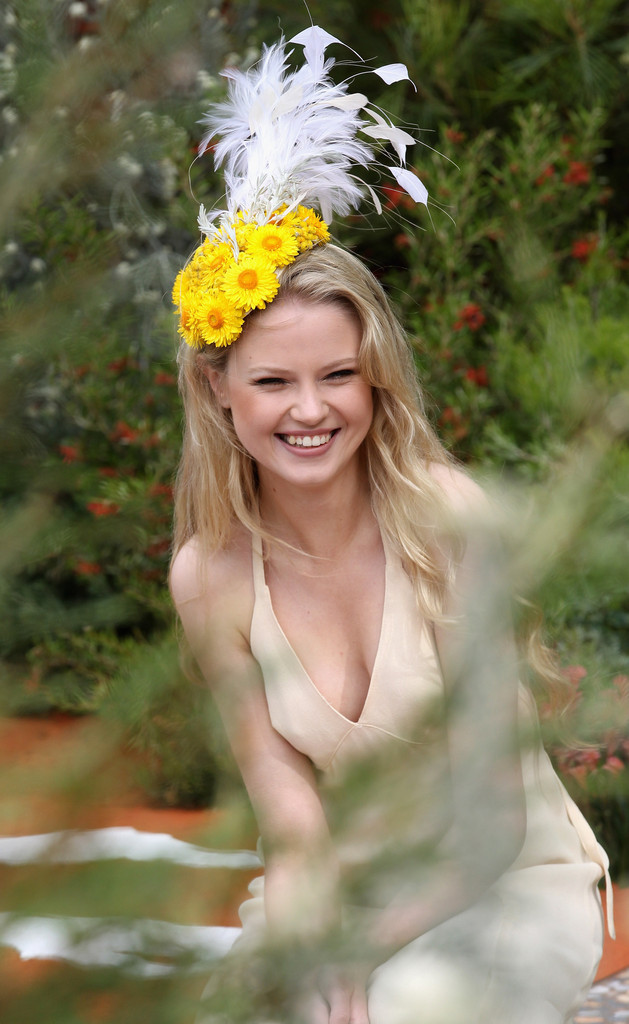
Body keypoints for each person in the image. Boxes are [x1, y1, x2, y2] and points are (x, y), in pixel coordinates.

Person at [169, 27, 612, 1024]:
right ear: (217, 388)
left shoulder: (447, 522)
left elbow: (492, 820)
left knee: (408, 1008)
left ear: (374, 378)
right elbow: (290, 821)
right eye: (272, 381)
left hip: (501, 885)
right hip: (343, 891)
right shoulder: (210, 574)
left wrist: (363, 962)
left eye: (337, 374)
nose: (309, 409)